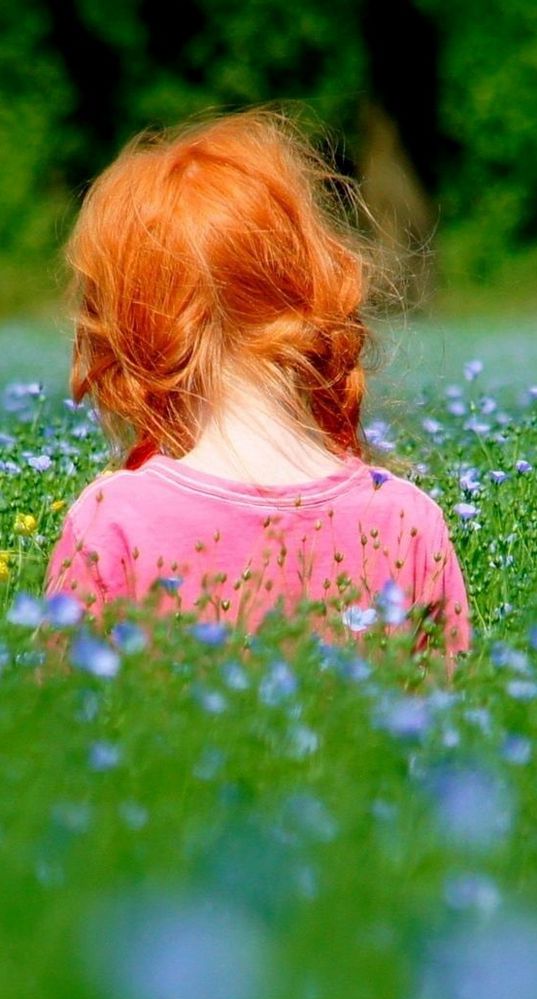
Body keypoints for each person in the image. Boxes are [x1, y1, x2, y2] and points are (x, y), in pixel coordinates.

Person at [45, 107, 470, 658]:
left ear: (129, 336)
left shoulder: (114, 522)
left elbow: (59, 724)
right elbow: (446, 726)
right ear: (314, 285)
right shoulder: (409, 523)